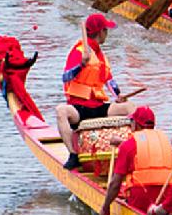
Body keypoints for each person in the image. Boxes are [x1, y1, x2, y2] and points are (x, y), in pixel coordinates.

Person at [57, 13, 137, 170]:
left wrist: (118, 95)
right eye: (106, 30)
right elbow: (65, 77)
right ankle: (73, 155)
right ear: (100, 32)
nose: (107, 33)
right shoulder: (79, 51)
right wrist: (81, 65)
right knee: (61, 111)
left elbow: (109, 80)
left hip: (98, 105)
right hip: (79, 108)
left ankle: (136, 147)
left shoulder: (101, 55)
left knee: (131, 108)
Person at [99, 106, 172, 215]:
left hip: (141, 202)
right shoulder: (163, 139)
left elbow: (115, 184)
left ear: (135, 124)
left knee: (122, 187)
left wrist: (105, 207)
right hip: (166, 200)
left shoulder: (128, 145)